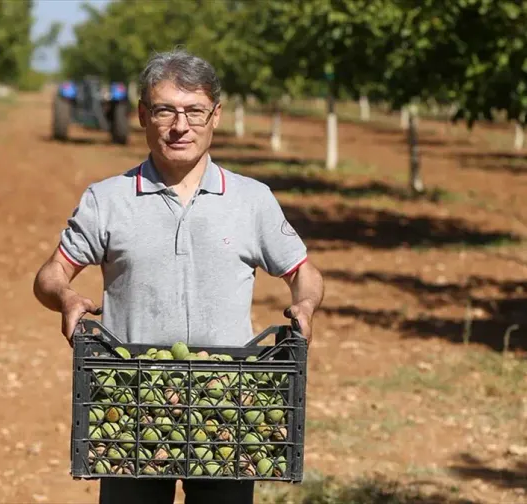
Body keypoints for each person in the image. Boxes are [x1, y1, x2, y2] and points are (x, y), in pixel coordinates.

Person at [33, 48, 325, 504]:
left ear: (216, 116)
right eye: (165, 110)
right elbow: (51, 274)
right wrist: (67, 298)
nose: (180, 126)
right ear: (142, 115)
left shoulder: (252, 200)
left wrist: (305, 305)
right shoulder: (108, 199)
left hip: (226, 408)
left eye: (194, 111)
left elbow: (303, 272)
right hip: (131, 407)